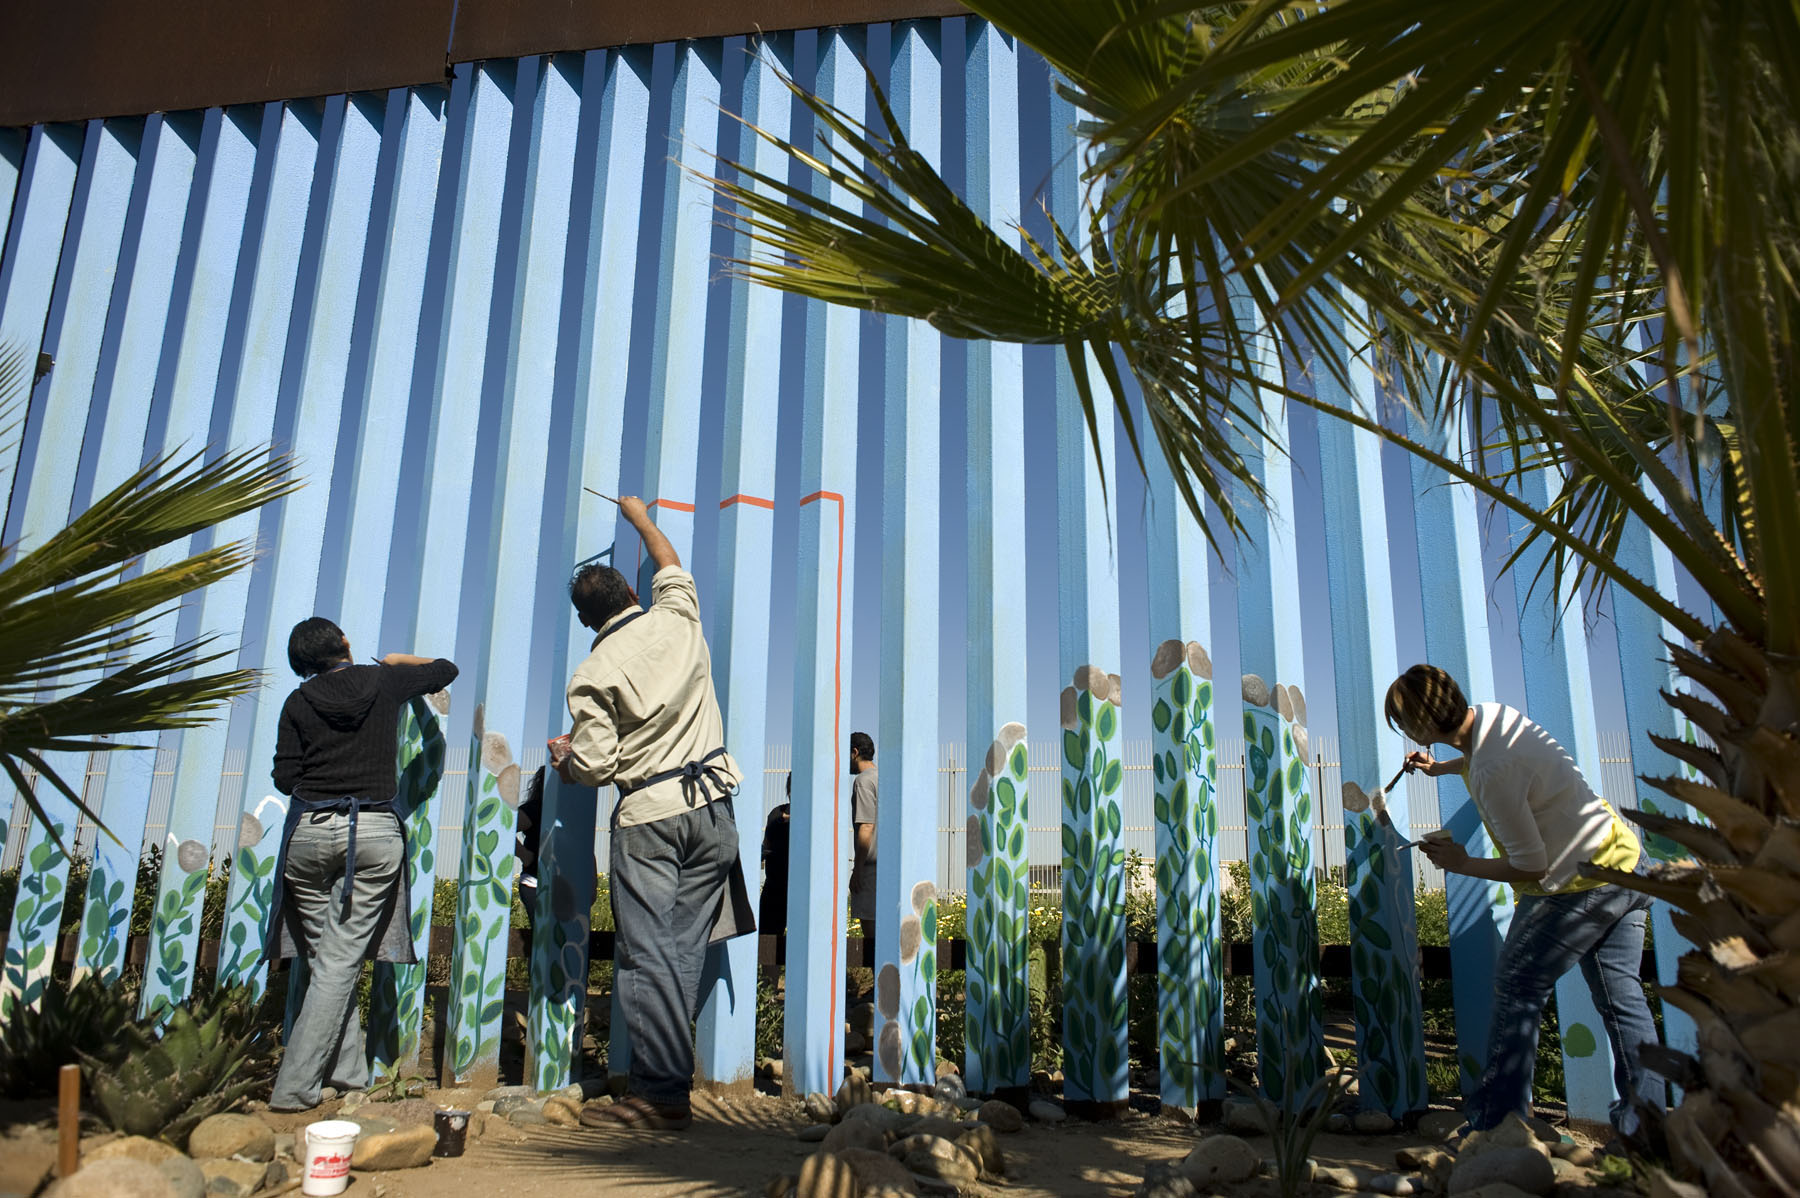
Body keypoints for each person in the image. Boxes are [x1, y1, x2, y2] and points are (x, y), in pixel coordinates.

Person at [1385, 663, 1658, 1139]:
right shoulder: (1494, 718)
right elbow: (1501, 765)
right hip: (1626, 865)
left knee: (1517, 987)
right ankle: (1648, 1132)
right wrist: (1440, 767)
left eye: (1405, 722)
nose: (1405, 731)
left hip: (1578, 886)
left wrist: (1458, 862)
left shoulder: (1491, 771)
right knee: (1622, 1000)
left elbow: (1531, 865)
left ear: (1424, 724)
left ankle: (1495, 1130)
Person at [558, 496, 742, 1132]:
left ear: (586, 619)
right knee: (682, 951)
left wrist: (565, 760)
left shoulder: (593, 670)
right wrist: (638, 517)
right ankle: (664, 1084)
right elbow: (670, 561)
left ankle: (660, 1094)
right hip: (715, 812)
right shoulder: (679, 620)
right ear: (633, 591)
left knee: (647, 953)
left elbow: (594, 765)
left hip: (650, 818)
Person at [267, 618, 457, 1112]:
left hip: (308, 837)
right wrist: (397, 661)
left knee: (327, 962)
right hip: (371, 833)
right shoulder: (384, 681)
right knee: (336, 962)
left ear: (301, 663)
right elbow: (446, 669)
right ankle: (294, 1089)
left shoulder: (297, 702)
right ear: (345, 645)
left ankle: (348, 1077)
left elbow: (286, 779)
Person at [847, 731, 878, 932]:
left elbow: (866, 825)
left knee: (871, 935)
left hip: (870, 867)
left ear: (854, 752)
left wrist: (857, 869)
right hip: (887, 867)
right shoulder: (883, 778)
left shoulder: (863, 781)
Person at [759, 773, 792, 934]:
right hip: (776, 886)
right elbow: (767, 843)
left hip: (777, 885)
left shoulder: (777, 813)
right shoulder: (777, 814)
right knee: (767, 939)